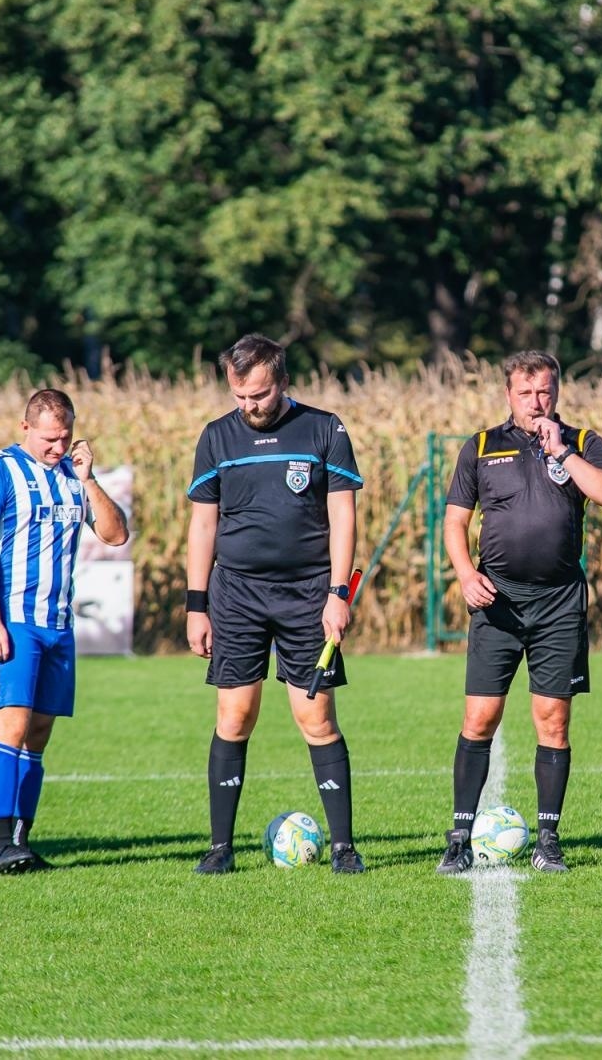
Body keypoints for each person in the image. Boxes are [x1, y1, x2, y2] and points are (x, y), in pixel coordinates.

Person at [435, 350, 602, 875]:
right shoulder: (480, 447)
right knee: (479, 718)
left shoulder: (583, 443)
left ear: (556, 392)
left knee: (553, 721)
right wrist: (466, 574)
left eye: (544, 392)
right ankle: (458, 837)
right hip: (497, 601)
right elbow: (454, 523)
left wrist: (560, 452)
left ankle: (548, 839)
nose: (536, 402)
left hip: (559, 602)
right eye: (526, 393)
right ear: (508, 394)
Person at [185, 334, 366, 875]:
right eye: (240, 397)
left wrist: (338, 595)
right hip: (236, 594)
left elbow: (343, 515)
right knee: (234, 717)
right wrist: (197, 605)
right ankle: (220, 849)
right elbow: (202, 524)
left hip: (309, 595)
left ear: (283, 382)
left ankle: (344, 847)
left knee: (316, 717)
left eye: (259, 395)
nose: (250, 407)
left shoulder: (325, 429)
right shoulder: (217, 437)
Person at [0, 389, 130, 874]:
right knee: (10, 728)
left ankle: (21, 841)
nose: (58, 447)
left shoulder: (73, 477)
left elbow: (116, 534)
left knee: (38, 735)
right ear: (25, 428)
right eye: (49, 438)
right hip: (12, 619)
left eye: (66, 437)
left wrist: (89, 477)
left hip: (57, 623)